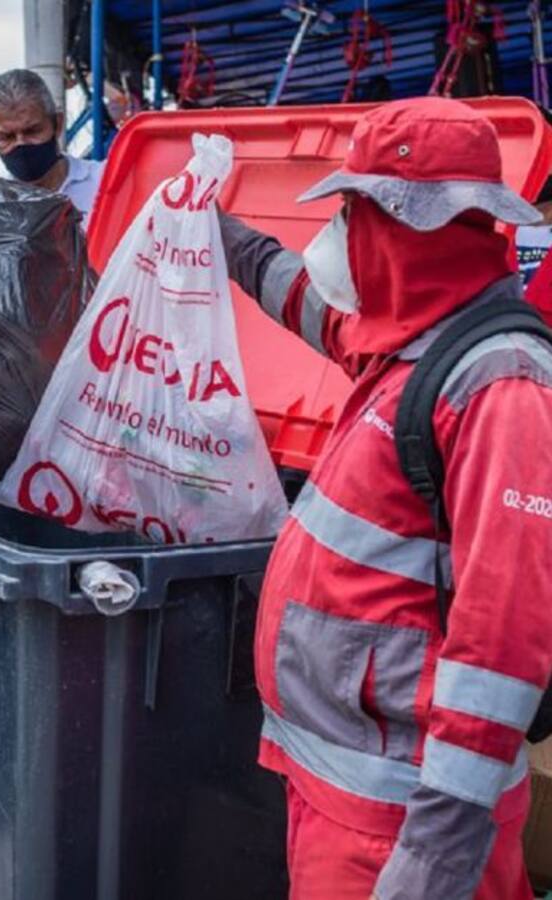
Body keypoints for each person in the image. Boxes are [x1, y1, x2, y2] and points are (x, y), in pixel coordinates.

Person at [218, 97, 552, 899]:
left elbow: (504, 645)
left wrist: (440, 849)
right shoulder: (409, 343)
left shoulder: (498, 383)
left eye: (352, 208)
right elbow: (307, 302)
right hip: (341, 796)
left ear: (406, 222)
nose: (341, 232)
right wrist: (218, 233)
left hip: (403, 827)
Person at [0, 68, 105, 227]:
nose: (21, 144)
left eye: (32, 131)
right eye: (7, 137)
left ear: (58, 124)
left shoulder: (105, 183)